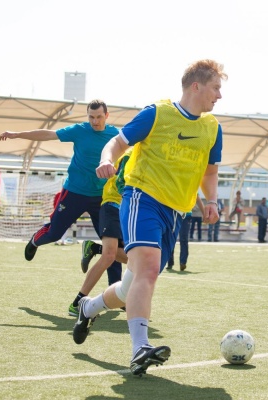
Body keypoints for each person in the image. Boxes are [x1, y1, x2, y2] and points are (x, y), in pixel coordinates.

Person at [75, 59, 226, 376]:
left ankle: (88, 308)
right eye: (216, 88)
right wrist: (106, 159)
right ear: (196, 86)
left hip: (176, 212)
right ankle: (139, 348)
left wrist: (211, 200)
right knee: (148, 269)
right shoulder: (157, 113)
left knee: (129, 287)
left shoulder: (213, 128)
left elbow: (210, 171)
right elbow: (118, 142)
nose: (220, 95)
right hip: (142, 199)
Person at [0, 99, 121, 286]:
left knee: (113, 244)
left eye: (99, 117)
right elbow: (49, 134)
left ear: (107, 116)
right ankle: (35, 241)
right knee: (54, 234)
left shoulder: (116, 135)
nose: (95, 121)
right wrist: (17, 134)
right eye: (91, 117)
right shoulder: (79, 130)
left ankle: (116, 292)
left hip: (101, 197)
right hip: (74, 193)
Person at [68, 149, 132, 317]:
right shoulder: (131, 155)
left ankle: (95, 248)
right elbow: (121, 184)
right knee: (109, 256)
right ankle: (77, 303)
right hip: (113, 205)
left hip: (128, 211)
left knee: (134, 260)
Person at [169, 196, 205, 271]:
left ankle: (183, 262)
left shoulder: (191, 189)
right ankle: (170, 262)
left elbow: (198, 199)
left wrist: (204, 214)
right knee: (171, 238)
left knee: (184, 239)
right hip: (173, 213)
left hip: (186, 215)